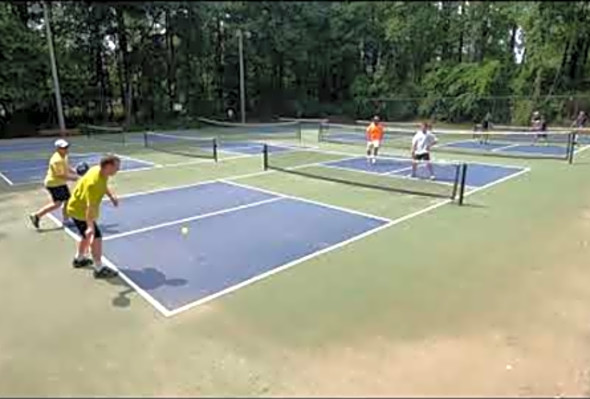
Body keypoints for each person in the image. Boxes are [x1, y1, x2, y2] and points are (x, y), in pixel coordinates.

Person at [66, 154, 120, 279]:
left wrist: (111, 196)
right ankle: (99, 268)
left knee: (86, 236)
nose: (118, 170)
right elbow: (90, 207)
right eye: (116, 167)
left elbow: (104, 185)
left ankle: (79, 259)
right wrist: (90, 226)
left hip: (75, 207)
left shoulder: (98, 170)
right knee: (96, 238)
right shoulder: (94, 184)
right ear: (108, 166)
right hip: (80, 211)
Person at [29, 139, 78, 229]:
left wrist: (76, 172)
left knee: (68, 200)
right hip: (54, 184)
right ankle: (37, 215)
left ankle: (66, 220)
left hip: (59, 183)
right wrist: (74, 178)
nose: (66, 149)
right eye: (63, 148)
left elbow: (67, 167)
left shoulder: (64, 156)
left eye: (66, 147)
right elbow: (60, 175)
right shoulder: (56, 160)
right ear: (58, 149)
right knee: (58, 203)